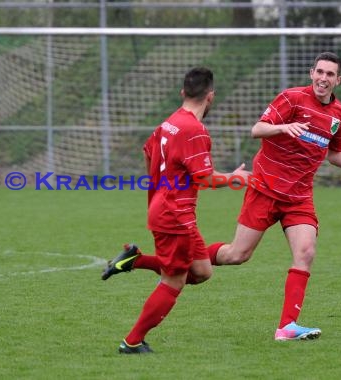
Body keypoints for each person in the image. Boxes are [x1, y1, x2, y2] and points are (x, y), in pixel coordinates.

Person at [209, 51, 341, 340]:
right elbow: (257, 129)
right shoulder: (292, 98)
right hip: (265, 189)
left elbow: (334, 153)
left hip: (299, 197)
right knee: (237, 255)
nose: (323, 78)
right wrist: (283, 127)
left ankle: (287, 327)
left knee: (305, 252)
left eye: (330, 74)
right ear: (311, 73)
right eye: (319, 72)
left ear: (338, 80)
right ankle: (184, 260)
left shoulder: (340, 115)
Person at [102, 67, 250, 354]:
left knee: (202, 271)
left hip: (171, 209)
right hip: (174, 215)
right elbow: (205, 178)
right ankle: (132, 341)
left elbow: (147, 152)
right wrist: (237, 178)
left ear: (183, 93)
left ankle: (135, 260)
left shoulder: (169, 123)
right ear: (211, 97)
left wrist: (159, 187)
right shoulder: (194, 130)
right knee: (175, 279)